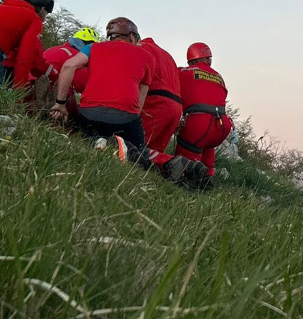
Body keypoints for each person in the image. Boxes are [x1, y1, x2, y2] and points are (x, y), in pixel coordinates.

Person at [50, 16, 151, 163]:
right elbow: (142, 93)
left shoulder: (93, 47)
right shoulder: (147, 56)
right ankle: (121, 146)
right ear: (131, 36)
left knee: (85, 134)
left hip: (89, 113)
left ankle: (97, 141)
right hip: (126, 117)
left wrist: (60, 103)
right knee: (140, 156)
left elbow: (68, 66)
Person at [175, 41, 233, 190]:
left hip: (199, 123)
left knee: (184, 164)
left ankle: (188, 185)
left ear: (190, 60)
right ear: (208, 59)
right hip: (222, 125)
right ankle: (209, 176)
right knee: (207, 144)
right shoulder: (219, 77)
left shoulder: (183, 72)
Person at [137, 35, 184, 168]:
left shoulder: (142, 48)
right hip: (176, 107)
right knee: (153, 155)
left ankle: (177, 163)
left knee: (133, 146)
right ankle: (185, 169)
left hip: (156, 102)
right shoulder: (168, 56)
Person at [42, 27, 101, 114]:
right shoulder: (76, 57)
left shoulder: (52, 49)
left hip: (31, 83)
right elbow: (82, 84)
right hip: (54, 89)